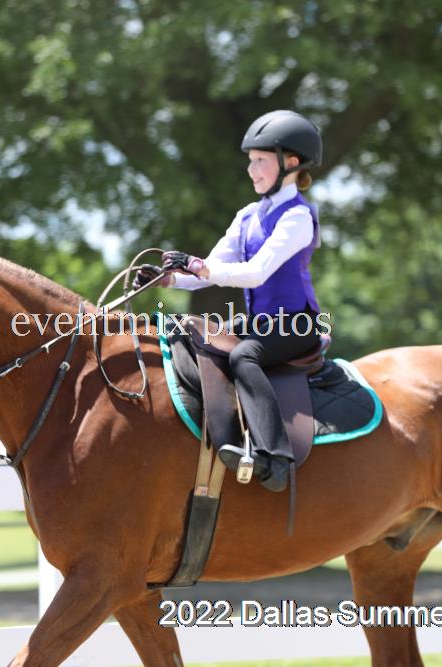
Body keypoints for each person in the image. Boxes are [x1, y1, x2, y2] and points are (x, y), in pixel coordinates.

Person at [135, 110, 325, 492]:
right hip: (259, 322)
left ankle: (276, 456)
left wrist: (198, 267)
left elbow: (255, 272)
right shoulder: (248, 216)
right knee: (193, 334)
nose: (251, 170)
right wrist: (169, 278)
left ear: (291, 163)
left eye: (261, 160)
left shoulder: (298, 218)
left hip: (296, 324)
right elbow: (211, 269)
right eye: (250, 161)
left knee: (243, 356)